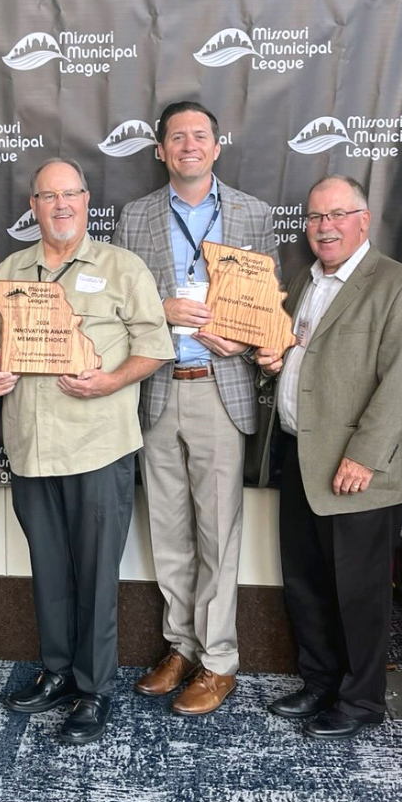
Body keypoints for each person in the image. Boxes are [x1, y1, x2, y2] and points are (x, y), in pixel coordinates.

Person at [0, 158, 175, 744]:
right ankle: (58, 671)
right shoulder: (10, 272)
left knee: (94, 573)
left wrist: (113, 381)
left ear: (87, 201)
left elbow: (154, 346)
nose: (61, 206)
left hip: (97, 447)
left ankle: (93, 689)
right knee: (49, 570)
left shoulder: (122, 267)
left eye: (70, 195)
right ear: (34, 206)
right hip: (30, 448)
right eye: (48, 197)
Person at [115, 101, 279, 715]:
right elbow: (118, 303)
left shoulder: (252, 214)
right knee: (169, 531)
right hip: (157, 386)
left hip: (220, 384)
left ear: (217, 146)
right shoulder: (135, 218)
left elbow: (271, 302)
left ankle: (219, 660)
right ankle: (180, 647)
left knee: (218, 532)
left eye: (200, 136)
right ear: (160, 150)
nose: (189, 144)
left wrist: (246, 338)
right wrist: (161, 306)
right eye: (177, 137)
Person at [257, 176, 402, 740]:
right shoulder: (302, 282)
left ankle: (360, 701)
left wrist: (364, 456)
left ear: (364, 218)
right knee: (306, 582)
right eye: (314, 217)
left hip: (356, 470)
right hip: (299, 456)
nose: (324, 227)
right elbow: (307, 361)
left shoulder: (400, 286)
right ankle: (319, 683)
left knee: (357, 592)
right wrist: (275, 365)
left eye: (337, 215)